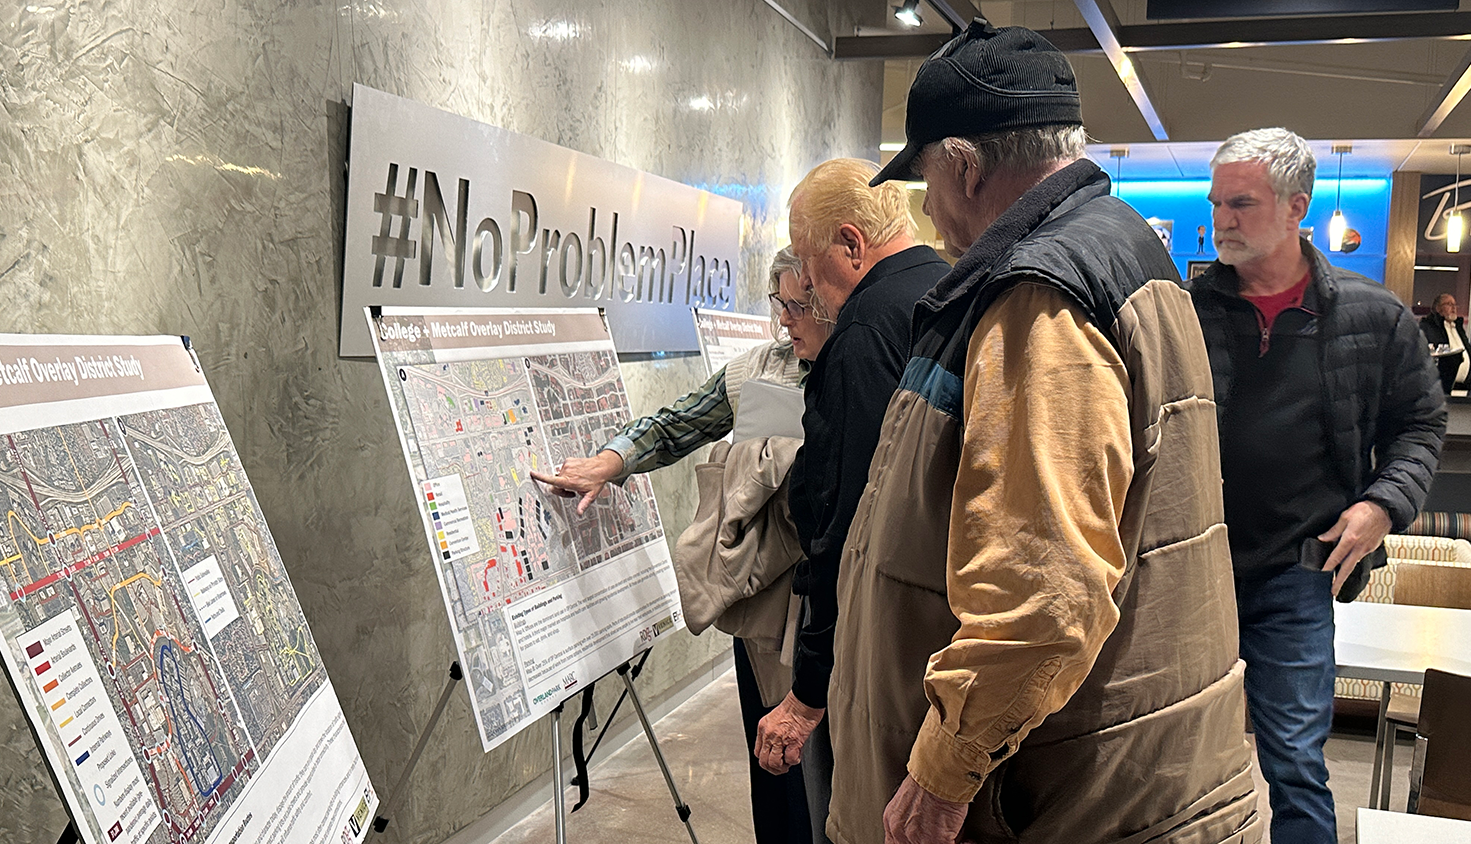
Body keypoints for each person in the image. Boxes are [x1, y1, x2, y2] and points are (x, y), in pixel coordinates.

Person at [833, 20, 1262, 844]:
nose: (929, 211)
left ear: (964, 165)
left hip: (1072, 802)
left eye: (925, 180)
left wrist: (940, 771)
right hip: (1142, 777)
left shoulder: (1042, 297)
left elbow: (1044, 597)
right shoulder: (1130, 251)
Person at [1191, 128, 1446, 844]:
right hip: (1190, 571)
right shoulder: (1188, 308)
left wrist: (1381, 507)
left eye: (1241, 203)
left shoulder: (1373, 316)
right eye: (1218, 203)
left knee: (1296, 766)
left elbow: (1422, 427)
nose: (1223, 219)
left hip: (1297, 574)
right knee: (1169, 758)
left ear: (1297, 205)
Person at [531, 248, 834, 844]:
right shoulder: (757, 370)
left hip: (832, 603)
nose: (787, 320)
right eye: (780, 304)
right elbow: (678, 422)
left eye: (801, 305)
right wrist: (611, 461)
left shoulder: (864, 364)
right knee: (773, 768)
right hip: (762, 607)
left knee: (830, 782)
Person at [752, 158, 950, 834]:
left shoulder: (864, 330)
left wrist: (808, 692)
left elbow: (849, 519)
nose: (804, 286)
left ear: (850, 243)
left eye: (809, 263)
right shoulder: (947, 288)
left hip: (883, 631)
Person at [1420, 292, 1471, 393]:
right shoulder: (1428, 328)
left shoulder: (1458, 328)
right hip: (1441, 391)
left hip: (1463, 390)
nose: (1453, 308)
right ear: (1438, 308)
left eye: (1455, 305)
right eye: (1449, 304)